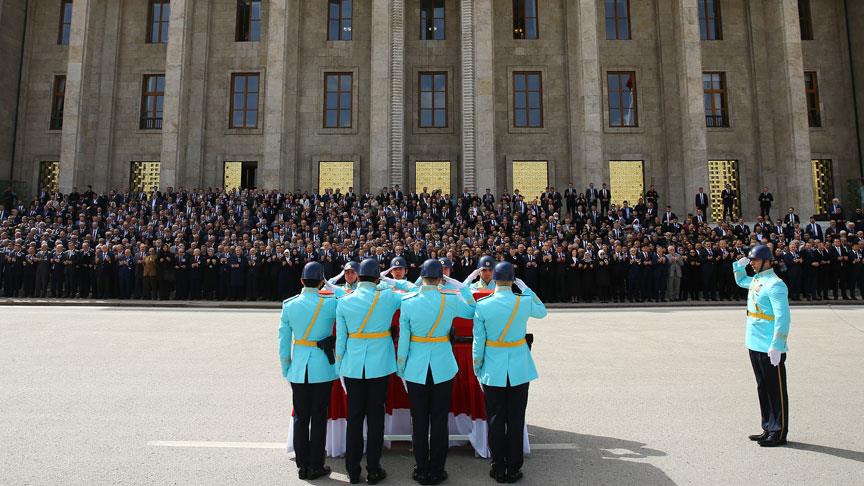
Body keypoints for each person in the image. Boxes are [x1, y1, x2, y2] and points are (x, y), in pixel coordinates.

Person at [397, 259, 476, 485]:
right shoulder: (449, 299)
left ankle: (421, 468)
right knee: (440, 420)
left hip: (416, 366)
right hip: (443, 365)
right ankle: (437, 469)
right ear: (441, 278)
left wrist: (401, 367)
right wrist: (462, 287)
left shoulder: (408, 301)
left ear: (421, 277)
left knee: (419, 419)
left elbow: (404, 338)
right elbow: (472, 311)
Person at [472, 261, 547, 483]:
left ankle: (498, 467)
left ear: (494, 279)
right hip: (519, 367)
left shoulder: (483, 305)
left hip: (492, 368)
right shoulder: (523, 301)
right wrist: (526, 288)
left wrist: (477, 367)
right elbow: (542, 311)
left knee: (495, 419)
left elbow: (478, 342)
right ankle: (514, 468)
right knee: (515, 417)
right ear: (513, 280)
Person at [335, 258, 403, 484]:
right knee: (375, 418)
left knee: (354, 418)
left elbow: (341, 340)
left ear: (358, 275)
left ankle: (353, 470)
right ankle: (374, 469)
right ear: (377, 277)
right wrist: (388, 281)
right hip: (379, 364)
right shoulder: (388, 297)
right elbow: (413, 291)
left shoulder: (345, 301)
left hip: (353, 365)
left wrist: (339, 365)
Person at [279, 261, 337, 481]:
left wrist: (287, 368)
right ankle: (316, 464)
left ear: (301, 280)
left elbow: (284, 342)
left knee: (301, 418)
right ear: (322, 281)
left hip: (299, 368)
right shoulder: (330, 303)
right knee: (319, 417)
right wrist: (330, 286)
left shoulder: (290, 304)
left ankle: (302, 465)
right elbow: (345, 297)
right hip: (322, 367)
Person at [732, 245, 791, 447]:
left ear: (767, 261)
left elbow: (783, 317)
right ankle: (767, 427)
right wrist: (738, 266)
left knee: (776, 390)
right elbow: (741, 281)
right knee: (763, 387)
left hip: (769, 346)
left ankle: (779, 432)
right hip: (754, 342)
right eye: (751, 260)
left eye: (755, 260)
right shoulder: (757, 279)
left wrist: (778, 344)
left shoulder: (775, 284)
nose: (752, 263)